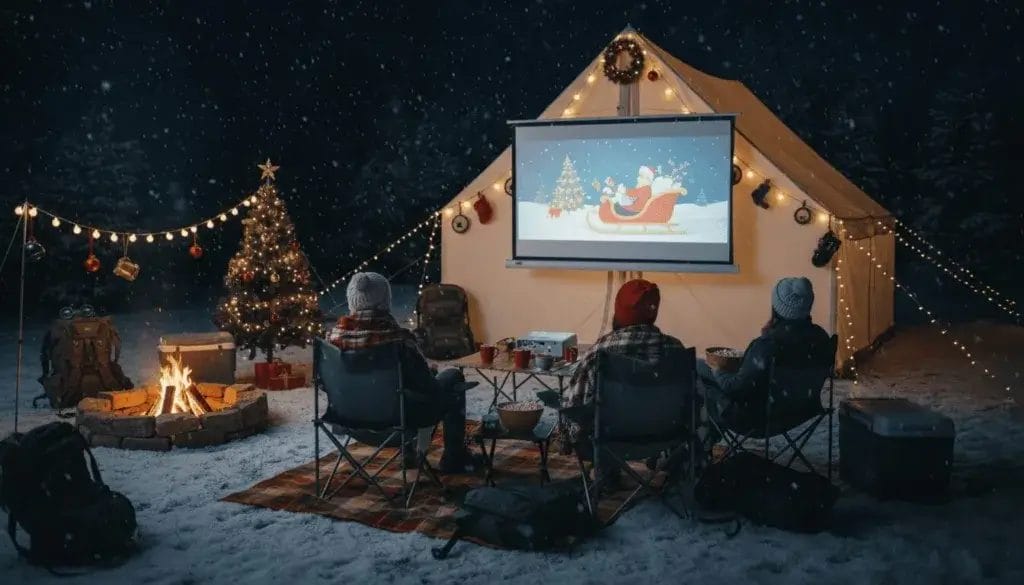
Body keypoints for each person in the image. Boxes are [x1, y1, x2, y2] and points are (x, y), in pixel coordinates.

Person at [330, 272, 483, 473]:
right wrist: (430, 373)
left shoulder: (334, 340)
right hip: (395, 424)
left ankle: (409, 454)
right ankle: (454, 458)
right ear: (385, 301)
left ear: (352, 300)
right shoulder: (397, 341)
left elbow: (328, 384)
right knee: (452, 378)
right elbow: (427, 388)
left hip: (347, 420)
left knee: (397, 389)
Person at [560, 279, 697, 483]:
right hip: (665, 435)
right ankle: (674, 470)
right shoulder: (676, 350)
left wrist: (567, 434)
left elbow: (574, 404)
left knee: (577, 413)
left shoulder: (600, 351)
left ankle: (605, 469)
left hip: (611, 439)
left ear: (619, 313)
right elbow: (691, 402)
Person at [698, 276, 831, 427]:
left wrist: (716, 369)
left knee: (698, 367)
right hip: (803, 412)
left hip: (755, 419)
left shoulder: (767, 345)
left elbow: (735, 388)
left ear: (777, 306)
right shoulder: (822, 338)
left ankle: (702, 442)